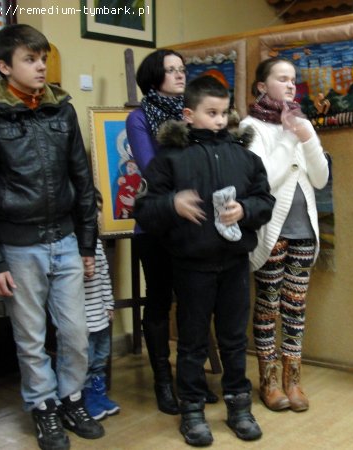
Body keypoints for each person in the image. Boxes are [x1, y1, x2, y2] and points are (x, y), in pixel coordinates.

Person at [0, 24, 104, 450]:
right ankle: (43, 407)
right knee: (30, 338)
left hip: (66, 240)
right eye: (30, 59)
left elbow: (82, 181)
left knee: (76, 333)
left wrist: (86, 244)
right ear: (4, 67)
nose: (41, 66)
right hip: (18, 247)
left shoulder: (63, 112)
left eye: (42, 58)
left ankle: (72, 399)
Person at [134, 75, 274, 446]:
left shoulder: (245, 157)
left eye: (223, 113)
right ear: (188, 114)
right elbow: (143, 209)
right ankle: (192, 409)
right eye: (211, 113)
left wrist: (245, 209)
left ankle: (239, 406)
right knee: (193, 341)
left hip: (234, 264)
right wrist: (172, 204)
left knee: (233, 339)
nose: (219, 120)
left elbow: (265, 201)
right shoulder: (169, 160)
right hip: (191, 264)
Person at [126, 49, 218, 415]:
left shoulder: (192, 113)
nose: (180, 75)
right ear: (154, 77)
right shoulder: (138, 118)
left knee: (194, 302)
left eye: (182, 69)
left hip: (193, 219)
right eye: (171, 70)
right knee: (159, 301)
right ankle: (163, 381)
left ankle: (190, 379)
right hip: (156, 221)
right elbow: (152, 168)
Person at [239, 57, 329, 412]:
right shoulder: (250, 126)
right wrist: (290, 140)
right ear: (262, 86)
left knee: (296, 305)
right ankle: (269, 380)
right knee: (268, 304)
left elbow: (320, 178)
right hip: (271, 231)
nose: (291, 85)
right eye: (282, 79)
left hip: (304, 230)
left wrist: (306, 136)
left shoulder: (300, 122)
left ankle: (293, 379)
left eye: (293, 79)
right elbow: (261, 180)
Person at [82, 191, 120, 421]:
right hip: (83, 319)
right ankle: (85, 396)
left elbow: (104, 276)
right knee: (85, 360)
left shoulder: (96, 244)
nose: (96, 215)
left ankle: (99, 393)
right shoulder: (74, 246)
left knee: (100, 357)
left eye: (99, 210)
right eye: (91, 210)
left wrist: (109, 304)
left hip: (101, 317)